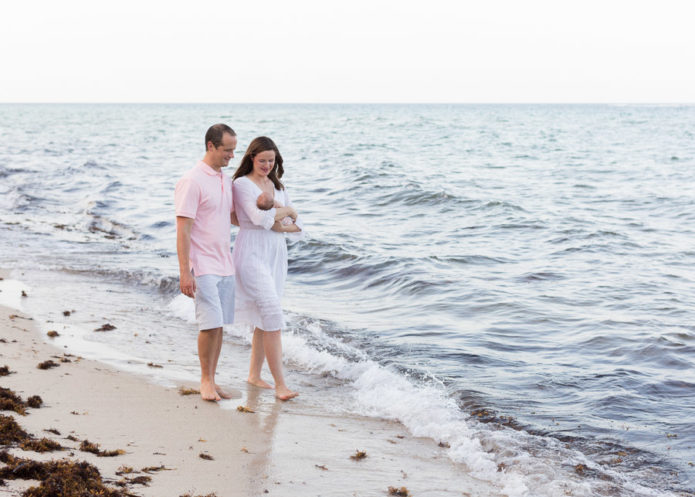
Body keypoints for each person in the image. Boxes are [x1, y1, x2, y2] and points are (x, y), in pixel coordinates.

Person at [232, 136, 302, 401]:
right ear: (252, 158)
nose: (267, 165)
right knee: (272, 314)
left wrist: (283, 215)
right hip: (251, 253)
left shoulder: (277, 185)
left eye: (271, 161)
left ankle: (254, 375)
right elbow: (259, 219)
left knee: (264, 319)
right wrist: (287, 213)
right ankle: (281, 386)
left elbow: (299, 227)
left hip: (276, 255)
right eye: (262, 160)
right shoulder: (242, 184)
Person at [175, 123, 238, 402]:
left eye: (234, 151)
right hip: (202, 264)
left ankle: (213, 379)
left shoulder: (225, 179)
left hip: (226, 262)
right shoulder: (192, 180)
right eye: (227, 150)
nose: (231, 156)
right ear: (211, 146)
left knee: (220, 324)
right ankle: (204, 381)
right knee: (208, 324)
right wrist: (184, 272)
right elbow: (183, 228)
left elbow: (233, 217)